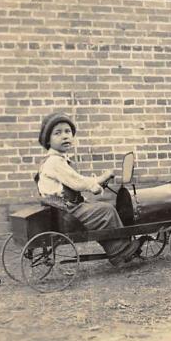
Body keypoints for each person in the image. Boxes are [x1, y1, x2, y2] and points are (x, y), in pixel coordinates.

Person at [35, 112, 144, 267]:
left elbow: (72, 184)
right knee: (106, 211)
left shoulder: (57, 160)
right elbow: (78, 183)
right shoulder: (54, 162)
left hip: (64, 208)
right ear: (47, 140)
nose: (65, 136)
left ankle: (116, 249)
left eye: (68, 132)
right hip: (66, 212)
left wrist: (93, 186)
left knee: (99, 209)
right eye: (57, 133)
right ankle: (120, 251)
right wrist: (99, 180)